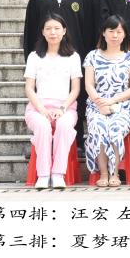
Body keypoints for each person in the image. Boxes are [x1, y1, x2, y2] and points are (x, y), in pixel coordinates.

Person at [24, 14, 82, 189]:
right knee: (43, 126)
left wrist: (62, 108)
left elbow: (75, 89)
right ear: (42, 32)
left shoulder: (73, 56)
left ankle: (58, 174)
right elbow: (29, 88)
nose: (53, 32)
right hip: (38, 108)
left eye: (57, 28)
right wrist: (42, 110)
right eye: (48, 28)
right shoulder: (34, 56)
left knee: (64, 126)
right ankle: (43, 175)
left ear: (64, 31)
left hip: (65, 108)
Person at [83, 15, 130, 187]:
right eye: (111, 31)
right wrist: (100, 102)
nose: (115, 35)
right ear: (103, 33)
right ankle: (103, 173)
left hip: (122, 105)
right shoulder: (92, 56)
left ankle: (115, 173)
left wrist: (112, 101)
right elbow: (89, 84)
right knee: (99, 127)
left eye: (119, 32)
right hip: (96, 104)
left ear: (125, 35)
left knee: (115, 128)